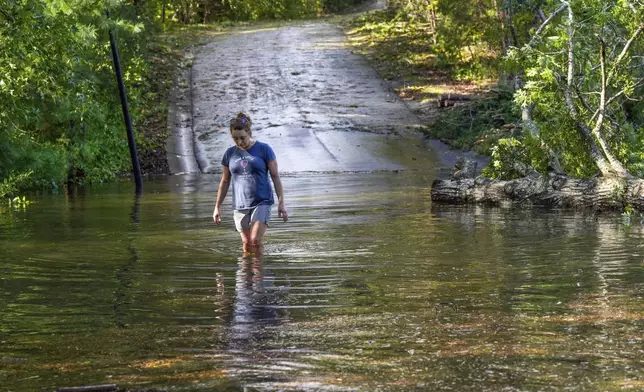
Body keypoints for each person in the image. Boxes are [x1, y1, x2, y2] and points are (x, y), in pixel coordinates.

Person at [213, 112, 288, 255]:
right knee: (247, 244)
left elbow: (275, 177)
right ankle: (246, 275)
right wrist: (217, 207)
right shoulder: (230, 154)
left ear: (249, 133)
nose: (240, 142)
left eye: (242, 138)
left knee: (255, 240)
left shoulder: (264, 149)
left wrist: (281, 203)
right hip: (240, 204)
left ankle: (259, 276)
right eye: (235, 139)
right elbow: (224, 181)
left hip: (262, 201)